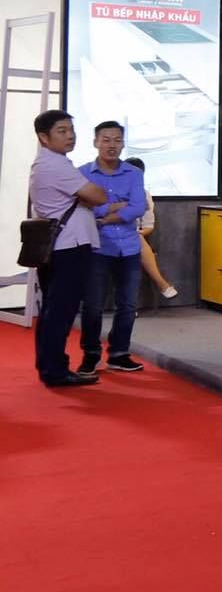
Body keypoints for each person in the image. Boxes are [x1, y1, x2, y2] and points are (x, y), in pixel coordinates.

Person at [28, 110, 109, 386]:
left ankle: (50, 366)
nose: (70, 136)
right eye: (62, 131)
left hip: (59, 245)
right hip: (68, 247)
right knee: (60, 311)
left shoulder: (48, 162)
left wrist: (87, 197)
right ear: (44, 137)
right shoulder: (56, 166)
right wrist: (89, 196)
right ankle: (55, 370)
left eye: (71, 130)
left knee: (53, 309)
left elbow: (90, 197)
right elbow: (99, 196)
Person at [76, 122, 149, 376]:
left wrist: (104, 217)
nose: (112, 145)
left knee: (127, 305)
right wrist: (116, 206)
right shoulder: (83, 173)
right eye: (106, 140)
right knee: (93, 305)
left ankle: (119, 353)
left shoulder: (134, 173)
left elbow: (138, 207)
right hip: (97, 247)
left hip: (128, 247)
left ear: (123, 143)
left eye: (117, 140)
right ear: (95, 142)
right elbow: (84, 206)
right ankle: (91, 354)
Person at [125, 157, 176, 299]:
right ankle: (162, 284)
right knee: (134, 239)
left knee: (135, 238)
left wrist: (137, 233)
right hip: (108, 232)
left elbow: (148, 226)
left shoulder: (144, 194)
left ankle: (160, 285)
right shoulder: (111, 190)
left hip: (131, 235)